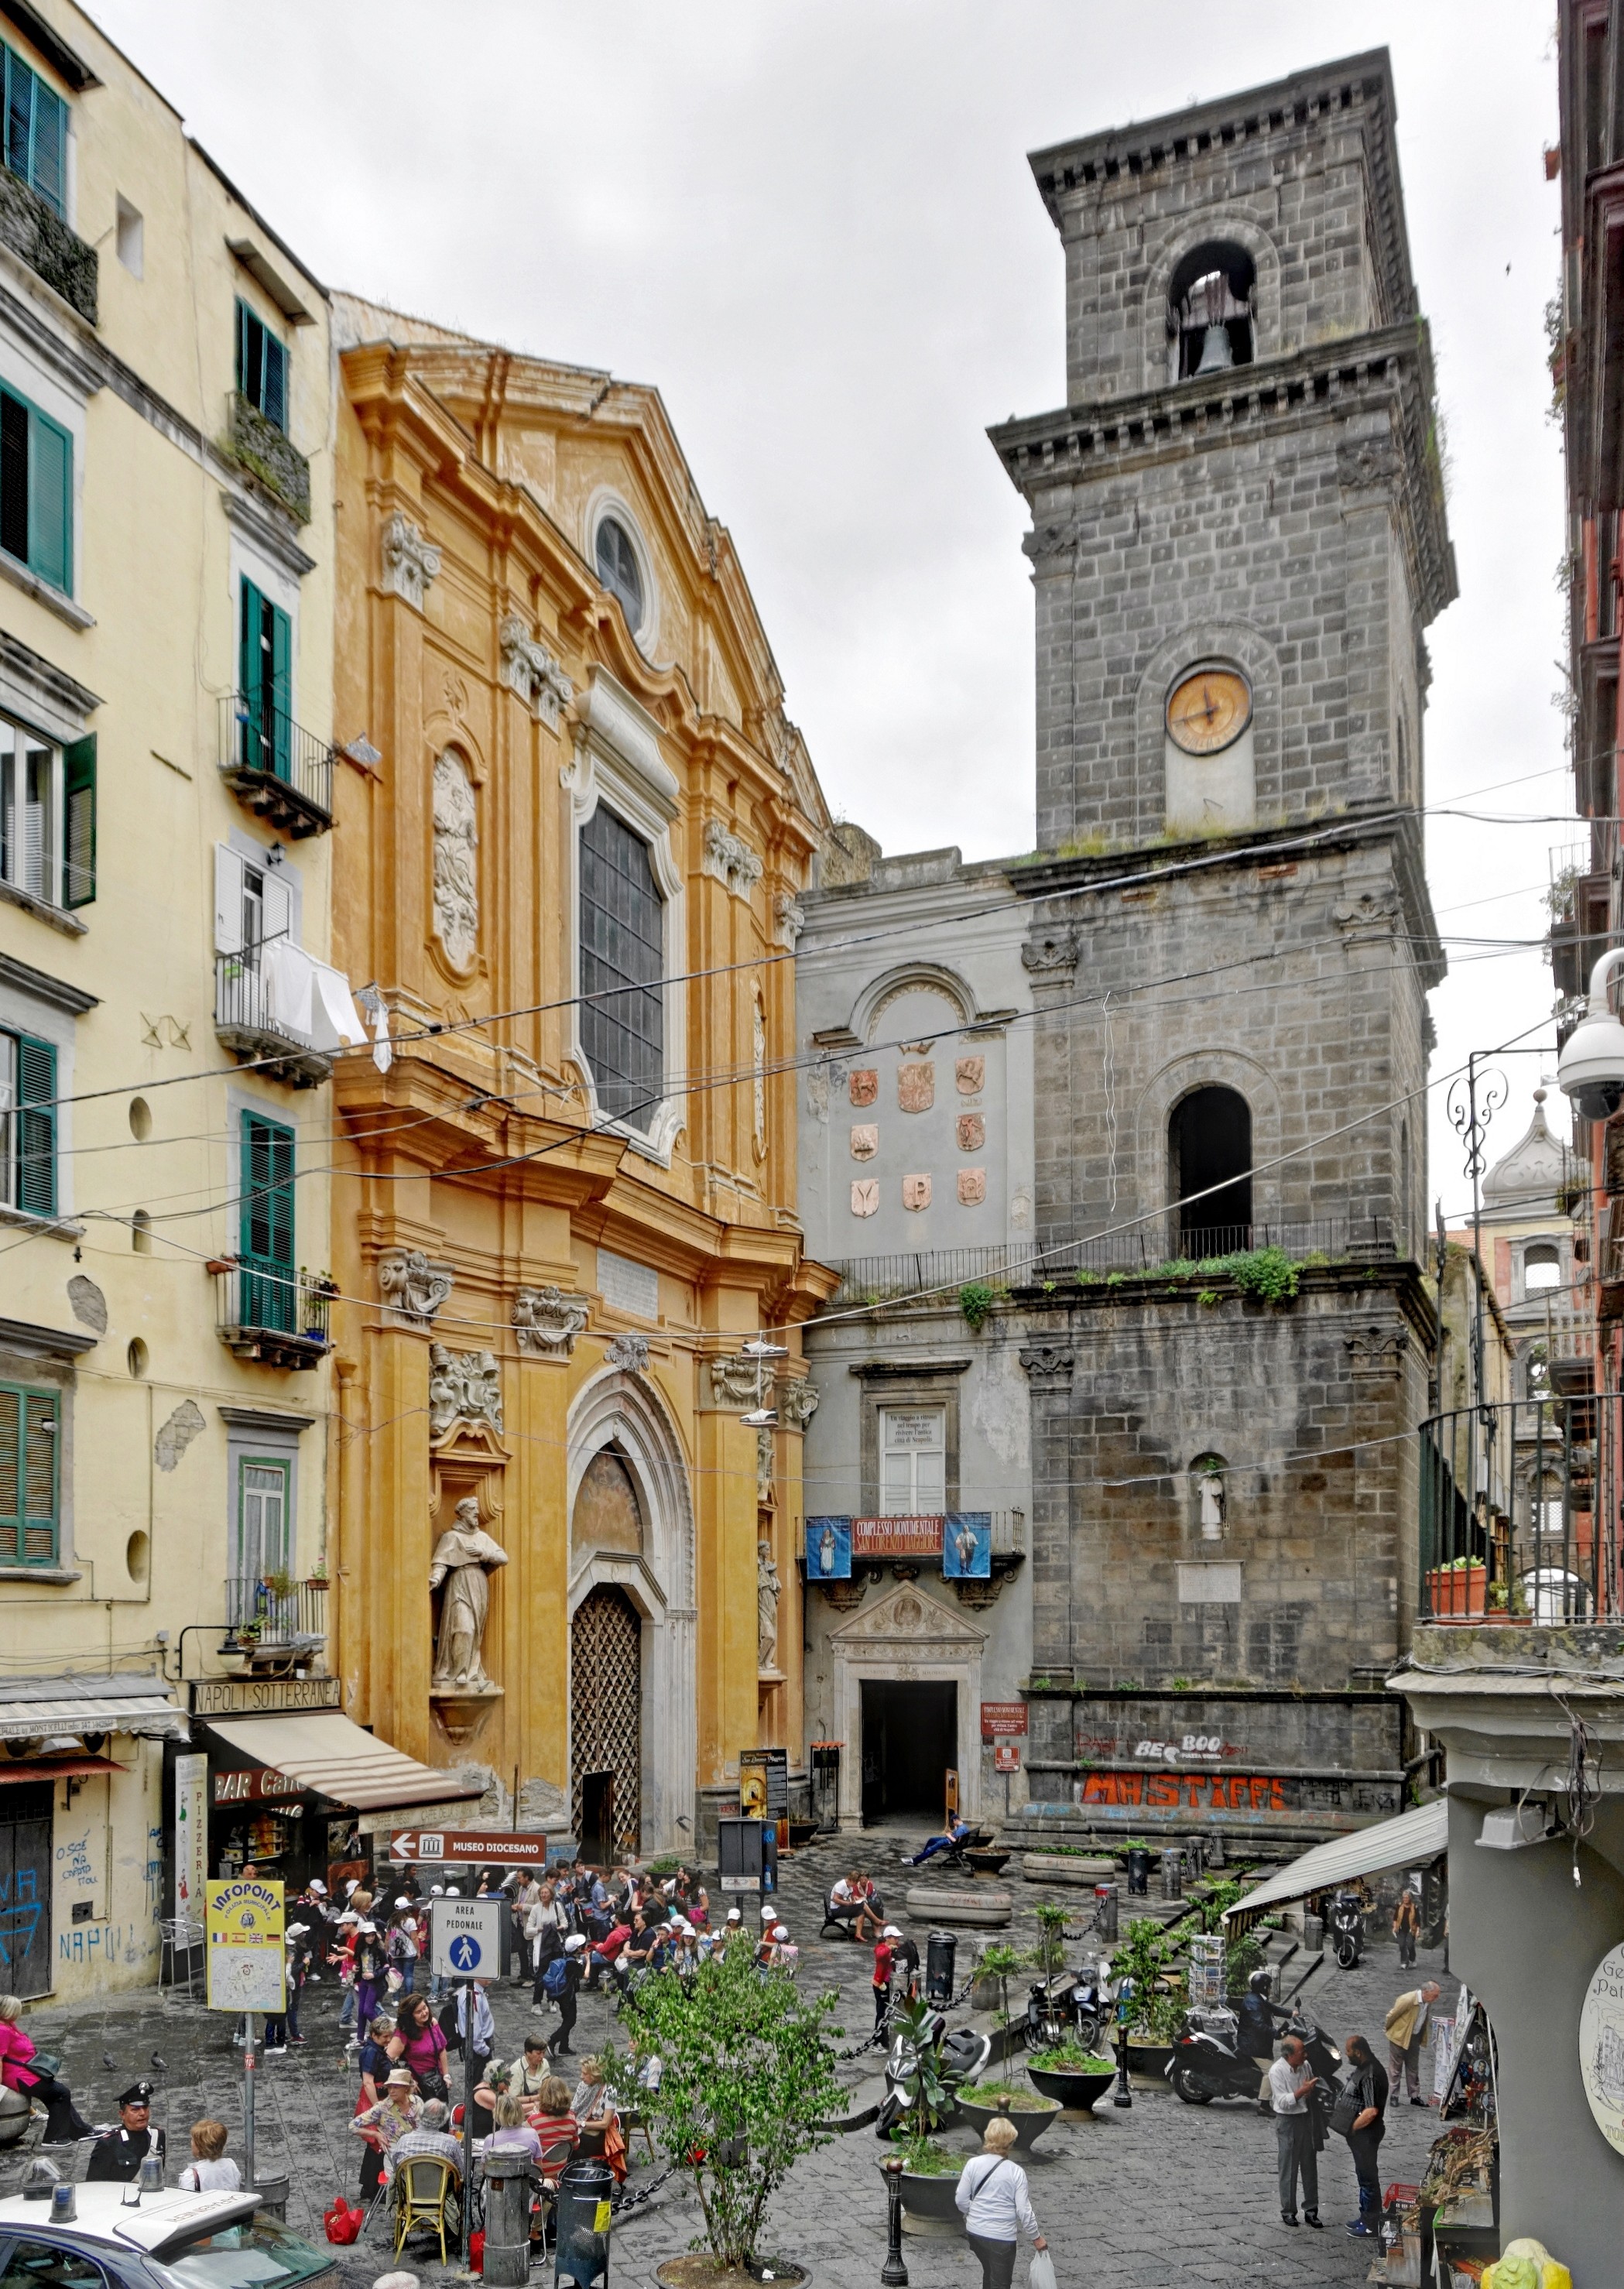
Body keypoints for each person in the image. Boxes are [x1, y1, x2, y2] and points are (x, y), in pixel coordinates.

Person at [954, 2116, 1047, 2289]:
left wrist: (974, 2213)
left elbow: (960, 2199)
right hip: (1002, 2239)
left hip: (976, 2234)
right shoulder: (1016, 2172)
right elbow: (1024, 2210)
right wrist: (1036, 2237)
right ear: (1010, 2142)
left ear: (988, 2137)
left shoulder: (973, 2164)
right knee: (1000, 2283)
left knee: (989, 2272)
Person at [0, 1994, 93, 2143]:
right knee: (61, 2093)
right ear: (9, 2011)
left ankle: (80, 2130)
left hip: (26, 2073)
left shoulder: (9, 2024)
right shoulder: (2, 2030)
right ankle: (54, 2138)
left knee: (56, 2095)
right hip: (19, 2077)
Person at [1268, 2034, 1323, 2228]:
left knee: (1309, 2165)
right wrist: (1302, 2091)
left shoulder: (1305, 2066)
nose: (1305, 2055)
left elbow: (1309, 2087)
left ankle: (1311, 2209)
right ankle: (1288, 2210)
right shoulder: (1276, 2071)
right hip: (1287, 2122)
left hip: (1305, 2119)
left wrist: (1309, 2091)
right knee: (1288, 2166)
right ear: (1289, 2055)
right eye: (1302, 2052)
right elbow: (1283, 2102)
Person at [1339, 2034, 1389, 2238]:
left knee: (1368, 2178)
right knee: (1363, 2176)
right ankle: (1365, 2216)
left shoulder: (1370, 2074)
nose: (1347, 2055)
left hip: (1366, 2134)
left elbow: (1371, 2111)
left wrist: (1352, 2128)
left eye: (1349, 2051)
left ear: (1358, 2052)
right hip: (1361, 2135)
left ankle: (1371, 2224)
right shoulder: (1364, 2068)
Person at [351, 2067, 422, 2196]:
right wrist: (376, 2134)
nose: (391, 2091)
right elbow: (353, 2126)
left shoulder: (417, 2103)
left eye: (396, 2087)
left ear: (406, 2088)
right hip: (395, 2161)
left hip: (417, 2155)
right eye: (389, 2087)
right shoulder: (382, 2107)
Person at [86, 2081, 166, 2183]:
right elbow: (94, 2184)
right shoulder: (109, 2144)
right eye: (135, 2109)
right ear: (122, 2114)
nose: (142, 2113)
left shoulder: (158, 2135)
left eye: (145, 2107)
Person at [1384, 1979, 1441, 2107]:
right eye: (1435, 1995)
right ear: (1426, 1992)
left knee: (1413, 2067)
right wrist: (1389, 2029)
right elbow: (1392, 2015)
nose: (1436, 1998)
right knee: (1396, 2068)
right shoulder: (1408, 1999)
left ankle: (1415, 2096)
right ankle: (1394, 2096)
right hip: (1399, 2037)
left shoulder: (1427, 2002)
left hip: (1414, 2037)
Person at [389, 1994, 450, 2102]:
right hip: (417, 2088)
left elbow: (442, 2050)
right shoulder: (404, 2033)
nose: (424, 2013)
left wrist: (446, 2075)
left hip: (438, 2082)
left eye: (425, 2008)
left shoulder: (432, 2024)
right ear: (410, 2016)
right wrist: (408, 2080)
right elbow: (389, 2059)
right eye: (418, 2012)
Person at [524, 2074, 579, 2170]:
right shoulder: (571, 2118)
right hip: (560, 2171)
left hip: (539, 2173)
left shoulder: (533, 2121)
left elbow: (525, 2150)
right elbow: (575, 2146)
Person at [178, 2119, 242, 2193]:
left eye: (193, 2140)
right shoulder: (231, 2165)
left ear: (200, 2147)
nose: (191, 2143)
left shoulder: (191, 2177)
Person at [485, 2089, 543, 2161]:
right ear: (521, 2111)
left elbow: (485, 2167)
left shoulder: (490, 2140)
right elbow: (538, 2165)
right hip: (526, 2168)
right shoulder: (532, 2134)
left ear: (497, 2113)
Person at [553, 1934, 586, 2054]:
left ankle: (564, 2047)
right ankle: (552, 2040)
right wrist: (589, 1961)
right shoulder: (572, 1963)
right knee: (571, 2020)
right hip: (568, 1996)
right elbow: (585, 1975)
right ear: (578, 1948)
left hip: (562, 1994)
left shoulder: (566, 1958)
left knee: (567, 2019)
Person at [872, 1926, 896, 2027]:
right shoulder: (880, 1947)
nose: (897, 1940)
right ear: (887, 1938)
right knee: (882, 2010)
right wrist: (889, 1948)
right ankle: (879, 2031)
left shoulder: (895, 1948)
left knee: (887, 2008)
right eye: (895, 1938)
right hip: (880, 1984)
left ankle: (885, 2030)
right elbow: (879, 1955)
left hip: (890, 1983)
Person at [1393, 1889, 1420, 1971]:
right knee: (1402, 1945)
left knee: (1410, 1945)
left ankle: (1412, 1958)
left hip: (1411, 1929)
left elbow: (1418, 1920)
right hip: (1401, 1929)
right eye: (1404, 1898)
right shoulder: (1399, 1906)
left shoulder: (1415, 1907)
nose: (1405, 1899)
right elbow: (1395, 1918)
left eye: (1407, 1898)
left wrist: (1418, 1931)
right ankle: (1404, 1962)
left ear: (1410, 1898)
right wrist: (1394, 1927)